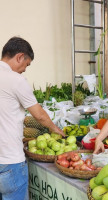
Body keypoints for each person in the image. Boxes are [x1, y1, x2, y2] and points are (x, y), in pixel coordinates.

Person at [0, 37, 65, 200]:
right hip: (10, 160)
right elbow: (40, 115)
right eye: (26, 64)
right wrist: (56, 130)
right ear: (20, 57)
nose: (24, 70)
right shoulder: (16, 80)